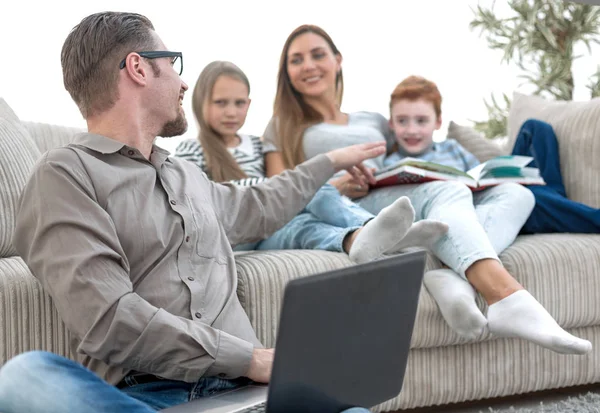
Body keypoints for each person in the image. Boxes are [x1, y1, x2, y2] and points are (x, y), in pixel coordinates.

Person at [0, 12, 387, 413]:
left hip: (249, 397)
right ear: (138, 68)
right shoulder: (65, 175)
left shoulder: (187, 176)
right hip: (150, 396)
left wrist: (327, 162)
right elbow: (110, 319)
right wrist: (250, 359)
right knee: (25, 376)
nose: (184, 82)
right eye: (173, 65)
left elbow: (260, 205)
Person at [262, 24, 592, 354]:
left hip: (406, 192)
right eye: (296, 60)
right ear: (286, 72)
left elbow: (410, 157)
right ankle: (507, 296)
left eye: (317, 55)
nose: (308, 65)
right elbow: (281, 195)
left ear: (337, 60)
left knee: (518, 194)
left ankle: (453, 275)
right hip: (357, 202)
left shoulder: (374, 120)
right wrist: (339, 184)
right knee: (449, 191)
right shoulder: (281, 125)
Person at [174, 60, 448, 263]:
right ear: (201, 103)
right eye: (221, 103)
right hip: (236, 234)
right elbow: (201, 196)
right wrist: (277, 187)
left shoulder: (257, 145)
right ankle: (385, 230)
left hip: (270, 230)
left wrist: (284, 189)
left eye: (239, 103)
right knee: (304, 187)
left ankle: (362, 235)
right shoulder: (192, 148)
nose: (231, 112)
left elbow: (280, 192)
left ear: (248, 104)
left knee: (306, 225)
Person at [510, 118, 600, 233]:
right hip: (495, 203)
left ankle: (554, 199)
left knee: (535, 128)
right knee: (528, 197)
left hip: (494, 187)